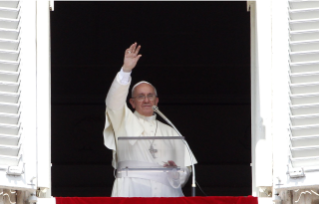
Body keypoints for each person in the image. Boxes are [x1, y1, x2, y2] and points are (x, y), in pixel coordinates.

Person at [103, 42, 197, 197]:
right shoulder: (123, 122)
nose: (146, 100)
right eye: (140, 96)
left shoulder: (170, 130)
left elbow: (184, 172)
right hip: (131, 190)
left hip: (166, 193)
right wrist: (126, 70)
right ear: (132, 102)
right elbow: (113, 102)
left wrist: (176, 173)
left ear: (156, 100)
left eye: (150, 96)